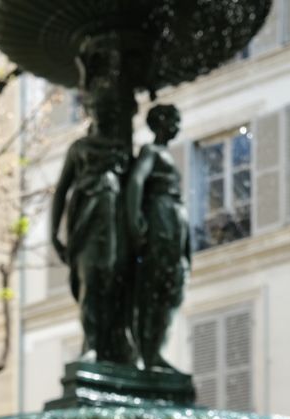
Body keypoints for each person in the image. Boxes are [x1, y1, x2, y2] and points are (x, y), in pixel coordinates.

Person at [49, 65, 134, 365]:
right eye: (96, 107)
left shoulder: (120, 148)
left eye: (107, 107)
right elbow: (61, 190)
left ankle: (119, 342)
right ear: (89, 110)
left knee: (116, 281)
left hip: (114, 223)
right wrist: (53, 234)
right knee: (91, 281)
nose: (102, 112)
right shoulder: (80, 149)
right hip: (86, 222)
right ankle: (92, 344)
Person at [126, 102, 190, 371]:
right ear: (161, 122)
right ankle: (149, 353)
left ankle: (156, 351)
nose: (177, 126)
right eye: (173, 120)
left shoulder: (165, 154)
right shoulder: (151, 151)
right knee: (155, 288)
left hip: (175, 221)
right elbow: (136, 182)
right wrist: (135, 218)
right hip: (161, 218)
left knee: (172, 290)